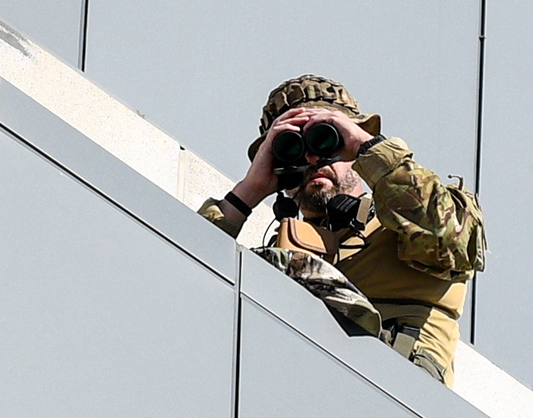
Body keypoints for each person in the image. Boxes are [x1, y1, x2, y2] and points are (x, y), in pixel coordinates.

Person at [198, 76, 487, 382]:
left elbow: (452, 238)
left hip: (398, 394)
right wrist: (248, 191)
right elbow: (185, 274)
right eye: (293, 147)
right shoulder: (284, 251)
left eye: (324, 140)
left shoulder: (409, 222)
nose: (311, 158)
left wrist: (366, 146)